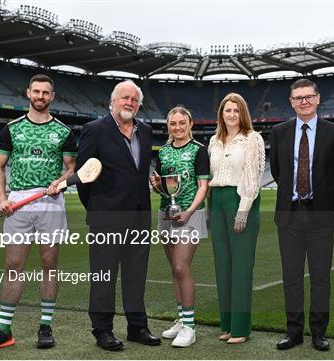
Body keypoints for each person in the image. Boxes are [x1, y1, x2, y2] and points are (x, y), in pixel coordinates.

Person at [0, 74, 77, 352]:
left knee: (49, 264)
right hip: (19, 202)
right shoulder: (11, 129)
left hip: (51, 203)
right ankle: (3, 329)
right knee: (13, 266)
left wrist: (61, 182)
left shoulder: (64, 132)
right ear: (28, 93)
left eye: (46, 92)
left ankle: (45, 326)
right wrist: (1, 198)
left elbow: (71, 168)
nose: (41, 96)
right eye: (36, 92)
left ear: (52, 96)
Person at [76, 80, 160, 351]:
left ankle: (137, 326)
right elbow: (83, 177)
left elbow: (139, 174)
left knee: (136, 276)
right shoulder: (94, 130)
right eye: (124, 98)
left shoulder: (145, 131)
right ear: (113, 101)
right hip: (106, 220)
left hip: (139, 218)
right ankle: (103, 330)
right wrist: (99, 211)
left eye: (134, 100)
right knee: (104, 276)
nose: (129, 103)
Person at [270, 79, 334, 352]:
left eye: (308, 96)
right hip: (289, 214)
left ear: (318, 98)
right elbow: (278, 171)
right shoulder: (279, 132)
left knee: (320, 276)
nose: (303, 101)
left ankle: (319, 332)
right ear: (291, 102)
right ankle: (293, 331)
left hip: (320, 214)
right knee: (291, 277)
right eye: (298, 97)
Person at [150, 106, 210, 347]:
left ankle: (190, 326)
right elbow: (163, 188)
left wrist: (189, 212)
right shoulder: (162, 152)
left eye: (181, 123)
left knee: (181, 266)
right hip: (167, 213)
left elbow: (203, 186)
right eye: (172, 123)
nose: (177, 127)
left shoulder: (199, 150)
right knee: (174, 270)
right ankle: (181, 318)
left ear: (190, 124)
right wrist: (156, 185)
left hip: (190, 215)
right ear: (168, 126)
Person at [208, 93, 265, 344]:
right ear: (221, 113)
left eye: (236, 110)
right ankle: (228, 325)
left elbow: (253, 176)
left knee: (241, 267)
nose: (231, 114)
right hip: (216, 200)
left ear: (243, 114)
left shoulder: (252, 139)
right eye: (227, 110)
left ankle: (241, 329)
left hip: (240, 200)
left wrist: (243, 209)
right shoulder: (213, 140)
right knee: (223, 266)